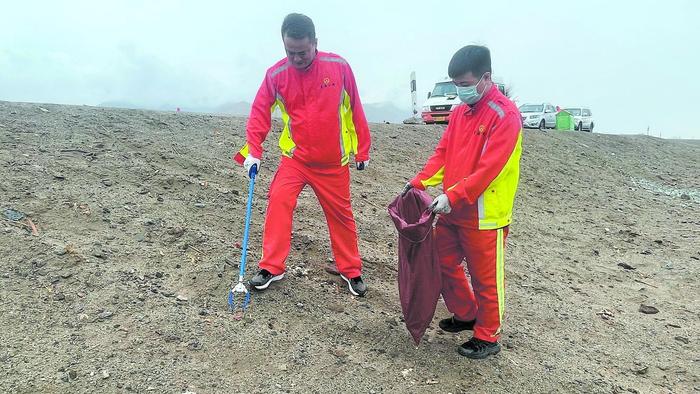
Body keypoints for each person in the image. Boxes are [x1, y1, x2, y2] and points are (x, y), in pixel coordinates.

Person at [234, 13, 371, 296]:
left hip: (333, 162)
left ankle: (351, 270)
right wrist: (254, 151)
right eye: (290, 52)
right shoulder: (275, 75)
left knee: (341, 215)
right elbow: (260, 112)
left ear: (315, 43)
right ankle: (271, 267)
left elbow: (356, 107)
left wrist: (362, 149)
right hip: (295, 159)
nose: (296, 58)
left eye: (303, 52)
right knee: (278, 202)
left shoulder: (339, 67)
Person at [401, 45, 522, 359]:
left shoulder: (505, 115)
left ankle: (487, 335)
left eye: (466, 84)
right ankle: (467, 313)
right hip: (452, 210)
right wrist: (420, 181)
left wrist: (452, 195)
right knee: (440, 262)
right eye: (456, 84)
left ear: (486, 77)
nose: (461, 90)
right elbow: (443, 154)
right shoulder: (459, 113)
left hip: (485, 216)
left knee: (486, 279)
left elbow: (489, 170)